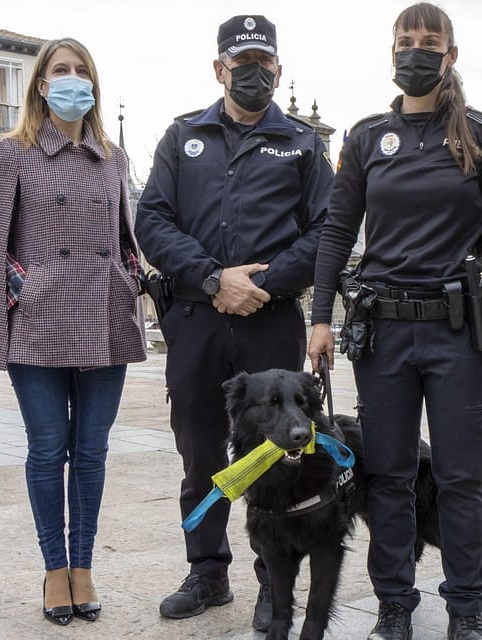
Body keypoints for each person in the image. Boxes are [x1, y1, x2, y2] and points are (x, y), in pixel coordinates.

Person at [308, 5, 482, 639]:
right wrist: (319, 317)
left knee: (459, 477)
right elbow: (338, 229)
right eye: (405, 41)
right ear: (391, 52)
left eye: (429, 41)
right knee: (388, 476)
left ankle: (467, 609)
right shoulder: (365, 138)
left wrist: (463, 264)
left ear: (451, 53)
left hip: (457, 331)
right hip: (383, 332)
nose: (415, 51)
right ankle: (394, 604)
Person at [134, 14, 333, 632]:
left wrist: (262, 284)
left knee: (278, 454)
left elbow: (327, 230)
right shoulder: (181, 137)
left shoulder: (302, 144)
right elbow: (152, 220)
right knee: (199, 452)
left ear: (279, 67)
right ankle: (206, 570)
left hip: (269, 325)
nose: (253, 73)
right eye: (241, 63)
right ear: (219, 68)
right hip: (196, 317)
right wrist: (216, 278)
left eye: (264, 63)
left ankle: (271, 584)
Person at [0, 38, 146, 626]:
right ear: (41, 85)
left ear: (94, 83)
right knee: (47, 450)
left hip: (104, 317)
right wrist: (11, 305)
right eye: (60, 71)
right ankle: (52, 569)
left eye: (81, 71)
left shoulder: (113, 158)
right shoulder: (13, 153)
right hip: (37, 323)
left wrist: (132, 282)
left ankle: (83, 567)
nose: (71, 80)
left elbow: (126, 239)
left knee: (91, 452)